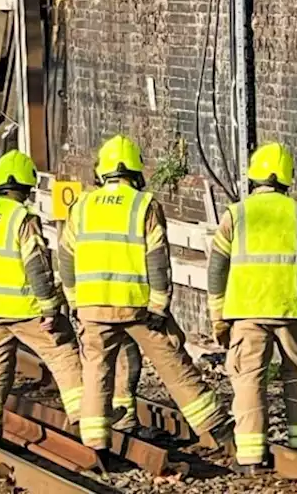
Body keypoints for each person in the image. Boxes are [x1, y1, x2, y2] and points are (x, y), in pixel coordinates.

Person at [58, 135, 232, 461]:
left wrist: (75, 300)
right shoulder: (144, 205)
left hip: (93, 308)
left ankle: (96, 447)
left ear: (102, 173)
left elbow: (65, 257)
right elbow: (158, 259)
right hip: (138, 308)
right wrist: (159, 305)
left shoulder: (81, 206)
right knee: (173, 363)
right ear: (135, 173)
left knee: (97, 373)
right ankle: (219, 429)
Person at [209, 143, 297, 473]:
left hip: (247, 312)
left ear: (254, 177)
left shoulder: (236, 214)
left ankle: (250, 457)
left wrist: (217, 316)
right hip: (293, 310)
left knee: (249, 379)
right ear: (287, 178)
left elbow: (217, 268)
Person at [0, 150, 86, 444]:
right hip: (24, 307)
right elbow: (36, 265)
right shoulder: (22, 218)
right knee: (63, 354)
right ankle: (86, 419)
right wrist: (50, 309)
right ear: (28, 187)